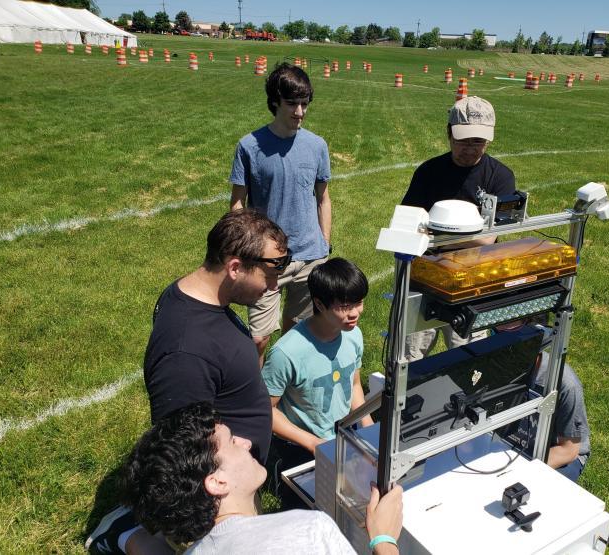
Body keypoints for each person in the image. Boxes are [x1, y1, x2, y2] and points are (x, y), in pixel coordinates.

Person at [87, 209, 290, 554]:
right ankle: (127, 531)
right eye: (270, 273)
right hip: (218, 493)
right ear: (235, 267)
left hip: (235, 477)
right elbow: (183, 449)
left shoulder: (201, 295)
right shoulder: (186, 352)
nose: (274, 286)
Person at [120, 402, 404, 554]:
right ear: (217, 482)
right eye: (232, 442)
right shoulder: (307, 529)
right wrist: (383, 539)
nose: (245, 442)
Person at [230, 62, 332, 365]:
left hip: (310, 257)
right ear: (275, 101)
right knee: (259, 338)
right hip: (266, 259)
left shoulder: (317, 146)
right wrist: (246, 248)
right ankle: (251, 402)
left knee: (297, 334)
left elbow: (323, 198)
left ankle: (283, 394)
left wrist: (324, 243)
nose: (299, 112)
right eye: (292, 104)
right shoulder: (249, 146)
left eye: (304, 104)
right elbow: (238, 205)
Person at [401, 96, 517, 361]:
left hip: (475, 281)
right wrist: (464, 239)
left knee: (470, 359)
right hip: (427, 279)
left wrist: (435, 238)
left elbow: (488, 240)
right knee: (410, 356)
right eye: (463, 140)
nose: (470, 148)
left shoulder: (500, 177)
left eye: (478, 141)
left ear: (489, 139)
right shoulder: (429, 172)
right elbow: (409, 224)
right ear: (449, 133)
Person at [261, 258, 373, 506]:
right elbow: (265, 410)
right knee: (306, 509)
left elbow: (353, 384)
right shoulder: (286, 353)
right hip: (303, 446)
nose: (355, 312)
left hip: (344, 434)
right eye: (345, 306)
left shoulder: (353, 334)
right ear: (319, 304)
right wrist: (312, 443)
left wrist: (368, 428)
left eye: (359, 302)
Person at [497, 321, 591, 482]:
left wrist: (521, 472)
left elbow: (569, 450)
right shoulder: (499, 369)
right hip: (514, 444)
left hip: (559, 454)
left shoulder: (566, 385)